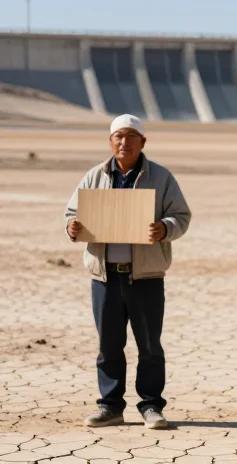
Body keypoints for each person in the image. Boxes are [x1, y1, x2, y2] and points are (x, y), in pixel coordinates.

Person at [64, 114, 192, 430]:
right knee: (109, 345)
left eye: (131, 136)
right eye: (119, 136)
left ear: (143, 142)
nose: (124, 142)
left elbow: (181, 216)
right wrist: (72, 226)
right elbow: (71, 213)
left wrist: (164, 228)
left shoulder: (160, 178)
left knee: (149, 345)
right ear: (110, 141)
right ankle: (110, 406)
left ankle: (151, 406)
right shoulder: (94, 177)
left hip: (145, 276)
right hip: (105, 276)